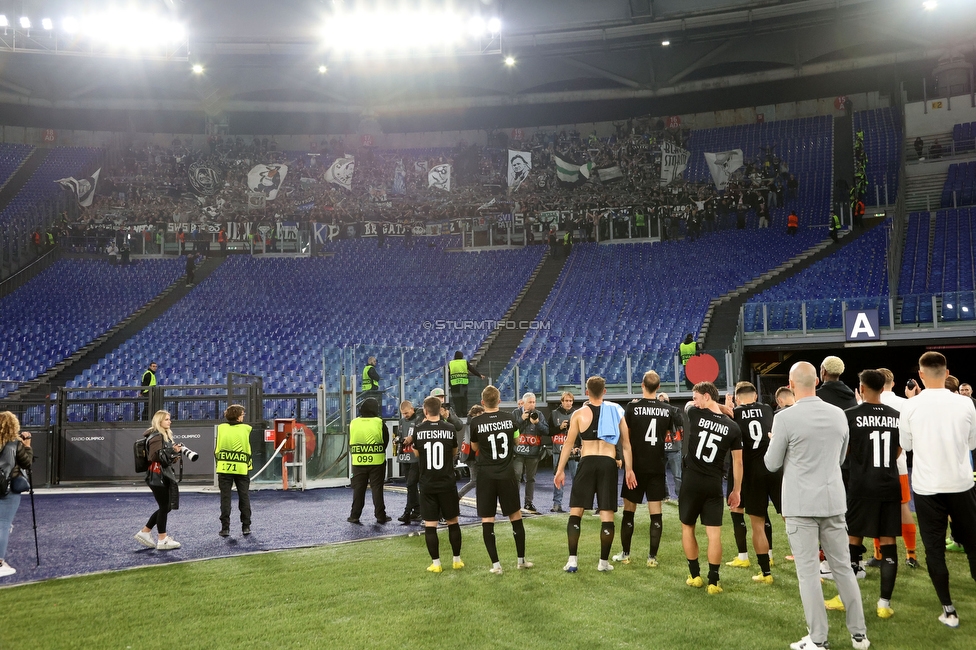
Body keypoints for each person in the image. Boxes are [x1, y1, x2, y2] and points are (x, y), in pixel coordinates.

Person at [764, 362, 870, 650]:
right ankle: (859, 634)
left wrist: (779, 445)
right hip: (833, 500)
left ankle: (818, 639)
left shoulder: (785, 418)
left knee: (808, 573)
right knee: (843, 569)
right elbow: (839, 458)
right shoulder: (838, 414)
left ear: (791, 382)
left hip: (800, 504)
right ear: (816, 381)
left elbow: (771, 464)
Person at [899, 351, 976, 629]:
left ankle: (949, 610)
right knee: (973, 545)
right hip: (960, 483)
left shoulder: (910, 406)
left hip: (928, 486)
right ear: (946, 372)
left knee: (934, 550)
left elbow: (906, 446)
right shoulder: (965, 403)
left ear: (920, 375)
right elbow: (971, 443)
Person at [825, 370, 901, 619]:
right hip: (889, 484)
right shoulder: (895, 416)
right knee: (888, 542)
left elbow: (843, 451)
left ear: (862, 387)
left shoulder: (851, 415)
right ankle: (884, 604)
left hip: (861, 485)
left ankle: (844, 598)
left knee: (853, 540)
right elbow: (898, 451)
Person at [555, 376, 635, 573]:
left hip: (587, 461)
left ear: (587, 392)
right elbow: (626, 445)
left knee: (576, 512)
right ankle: (603, 562)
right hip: (608, 463)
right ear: (605, 391)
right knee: (606, 513)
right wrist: (629, 470)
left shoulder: (578, 414)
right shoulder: (617, 411)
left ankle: (572, 561)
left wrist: (559, 470)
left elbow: (567, 445)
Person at [680, 381, 742, 594]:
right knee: (714, 534)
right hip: (715, 482)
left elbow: (689, 405)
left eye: (697, 397)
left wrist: (719, 407)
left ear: (707, 396)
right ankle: (714, 582)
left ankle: (695, 576)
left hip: (691, 480)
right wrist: (736, 490)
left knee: (687, 527)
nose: (694, 402)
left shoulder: (695, 414)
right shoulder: (733, 427)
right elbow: (738, 462)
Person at [613, 371, 678, 567]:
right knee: (656, 513)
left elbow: (627, 439)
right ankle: (652, 558)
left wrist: (628, 467)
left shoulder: (632, 407)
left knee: (629, 511)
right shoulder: (667, 410)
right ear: (658, 387)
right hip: (657, 466)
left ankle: (625, 554)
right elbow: (666, 432)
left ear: (642, 385)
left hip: (636, 467)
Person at [468, 385, 533, 574]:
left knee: (488, 519)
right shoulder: (509, 418)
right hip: (507, 474)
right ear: (499, 400)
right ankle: (521, 560)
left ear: (482, 402)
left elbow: (474, 448)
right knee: (515, 516)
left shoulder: (476, 422)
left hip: (486, 475)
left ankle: (496, 565)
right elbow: (517, 441)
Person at [724, 381, 779, 584]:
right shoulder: (766, 409)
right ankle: (807, 568)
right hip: (774, 468)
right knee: (789, 518)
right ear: (755, 396)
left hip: (748, 470)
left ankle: (757, 566)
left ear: (737, 398)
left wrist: (728, 408)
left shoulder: (735, 413)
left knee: (752, 518)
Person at [413, 396, 462, 573]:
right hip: (447, 482)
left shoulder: (418, 429)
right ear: (440, 410)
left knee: (430, 525)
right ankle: (456, 560)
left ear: (425, 411)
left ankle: (436, 564)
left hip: (428, 483)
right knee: (453, 522)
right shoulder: (449, 428)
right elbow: (454, 452)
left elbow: (417, 454)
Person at [134, 410, 184, 551]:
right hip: (158, 476)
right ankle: (162, 539)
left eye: (169, 419)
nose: (170, 421)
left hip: (158, 475)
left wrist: (173, 454)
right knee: (164, 507)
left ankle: (145, 532)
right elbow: (154, 456)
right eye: (167, 419)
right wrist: (171, 451)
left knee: (166, 507)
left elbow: (163, 458)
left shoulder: (160, 435)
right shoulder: (157, 436)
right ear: (159, 421)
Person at [347, 398, 392, 525]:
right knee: (377, 489)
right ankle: (380, 516)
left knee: (358, 489)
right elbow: (385, 440)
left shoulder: (354, 422)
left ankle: (354, 515)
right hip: (377, 461)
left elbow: (350, 440)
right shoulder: (379, 422)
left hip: (358, 461)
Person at [0, 412, 33, 577]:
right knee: (3, 524)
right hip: (8, 489)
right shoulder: (15, 443)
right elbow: (27, 463)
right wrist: (27, 445)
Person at [215, 404, 252, 537]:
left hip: (224, 468)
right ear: (238, 416)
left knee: (225, 498)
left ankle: (225, 528)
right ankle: (246, 526)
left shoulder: (221, 428)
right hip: (242, 468)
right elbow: (247, 450)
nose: (243, 416)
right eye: (242, 414)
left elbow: (217, 449)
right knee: (244, 496)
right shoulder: (246, 429)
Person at [512, 392, 549, 514]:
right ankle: (515, 504)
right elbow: (511, 429)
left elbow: (546, 431)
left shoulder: (539, 414)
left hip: (533, 452)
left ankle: (528, 503)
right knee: (516, 476)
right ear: (523, 403)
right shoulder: (516, 413)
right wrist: (521, 420)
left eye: (534, 402)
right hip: (518, 452)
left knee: (530, 479)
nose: (532, 405)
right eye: (530, 402)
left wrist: (537, 423)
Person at [548, 392, 578, 513]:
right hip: (558, 450)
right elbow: (548, 431)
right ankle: (557, 503)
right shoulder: (554, 414)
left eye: (571, 401)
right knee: (558, 478)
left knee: (577, 478)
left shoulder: (576, 414)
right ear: (562, 401)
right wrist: (559, 428)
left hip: (573, 451)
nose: (569, 403)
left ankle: (577, 503)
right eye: (566, 401)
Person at [395, 401, 422, 524]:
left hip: (416, 457)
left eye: (406, 413)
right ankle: (417, 511)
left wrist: (412, 438)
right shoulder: (401, 422)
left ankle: (408, 511)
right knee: (410, 485)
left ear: (412, 409)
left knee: (411, 484)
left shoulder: (419, 417)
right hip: (405, 456)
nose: (405, 415)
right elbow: (400, 435)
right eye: (403, 413)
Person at [658, 392, 684, 500]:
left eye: (664, 400)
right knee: (661, 475)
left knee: (677, 475)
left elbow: (680, 421)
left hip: (674, 447)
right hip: (661, 448)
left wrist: (668, 408)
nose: (662, 403)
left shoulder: (675, 410)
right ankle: (665, 495)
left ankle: (681, 496)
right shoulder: (657, 413)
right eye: (660, 401)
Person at [457, 404, 486, 500]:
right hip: (472, 456)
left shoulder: (470, 423)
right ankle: (458, 496)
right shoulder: (473, 424)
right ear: (477, 414)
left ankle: (480, 500)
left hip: (469, 455)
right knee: (475, 481)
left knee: (479, 481)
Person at [448, 351, 484, 415]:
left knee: (456, 399)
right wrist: (479, 375)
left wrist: (448, 384)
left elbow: (448, 374)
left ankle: (458, 413)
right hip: (463, 383)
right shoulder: (464, 362)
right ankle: (464, 413)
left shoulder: (451, 363)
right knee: (464, 398)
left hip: (454, 384)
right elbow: (472, 369)